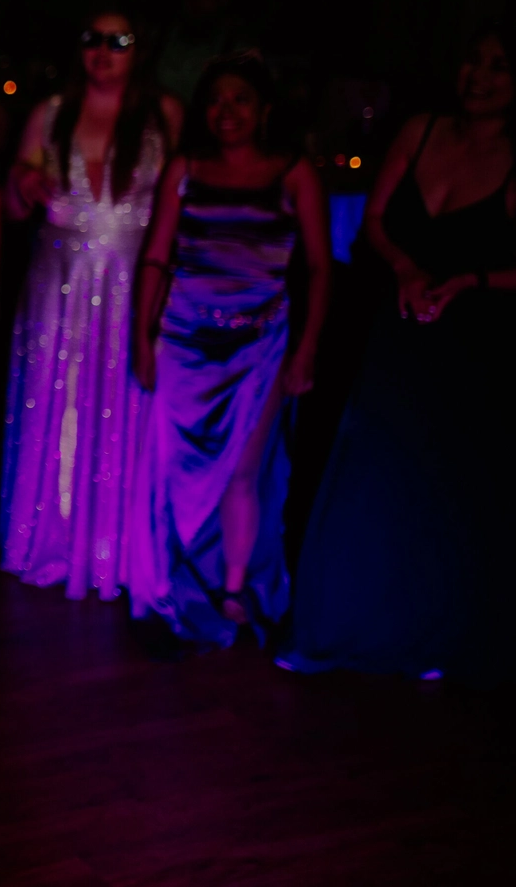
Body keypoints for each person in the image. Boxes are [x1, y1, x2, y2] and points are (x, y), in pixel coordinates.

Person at [281, 31, 516, 685]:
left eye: (499, 65)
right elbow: (375, 219)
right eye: (472, 59)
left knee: (444, 494)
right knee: (370, 476)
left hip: (472, 346)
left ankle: (433, 639)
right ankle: (339, 627)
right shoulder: (419, 129)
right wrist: (407, 266)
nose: (480, 74)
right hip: (399, 328)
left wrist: (471, 281)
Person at [128, 53, 329, 647]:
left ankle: (235, 588)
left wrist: (307, 350)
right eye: (216, 100)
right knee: (169, 465)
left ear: (265, 110)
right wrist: (143, 334)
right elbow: (157, 256)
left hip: (259, 345)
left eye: (240, 99)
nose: (227, 111)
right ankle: (172, 581)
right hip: (184, 342)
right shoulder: (184, 168)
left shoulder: (293, 174)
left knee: (243, 470)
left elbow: (319, 269)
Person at [0, 3, 181, 599]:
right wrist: (24, 182)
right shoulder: (51, 114)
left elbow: (185, 208)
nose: (104, 52)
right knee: (58, 403)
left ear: (140, 49)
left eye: (119, 41)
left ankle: (116, 552)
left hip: (132, 287)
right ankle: (49, 539)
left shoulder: (163, 115)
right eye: (93, 39)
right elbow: (12, 199)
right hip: (59, 290)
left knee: (124, 405)